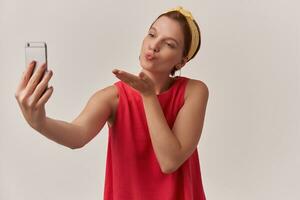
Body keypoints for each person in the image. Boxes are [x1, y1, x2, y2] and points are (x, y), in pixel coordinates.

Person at [15, 6, 209, 200]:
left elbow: (169, 161)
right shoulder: (112, 98)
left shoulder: (193, 92)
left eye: (169, 44)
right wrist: (40, 123)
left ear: (181, 62)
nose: (154, 45)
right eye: (151, 34)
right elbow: (77, 136)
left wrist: (148, 96)